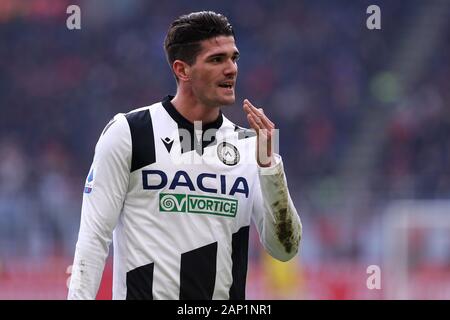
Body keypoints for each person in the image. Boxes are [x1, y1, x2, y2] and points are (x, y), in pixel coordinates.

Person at [68, 11, 302, 300]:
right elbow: (93, 238)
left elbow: (285, 250)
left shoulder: (249, 146)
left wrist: (271, 167)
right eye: (217, 59)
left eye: (234, 58)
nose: (231, 69)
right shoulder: (128, 132)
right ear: (182, 70)